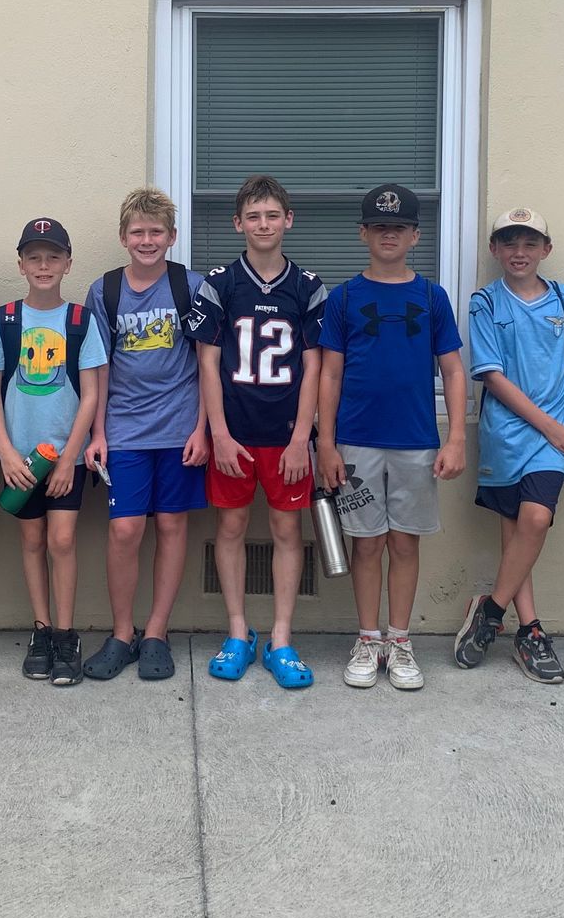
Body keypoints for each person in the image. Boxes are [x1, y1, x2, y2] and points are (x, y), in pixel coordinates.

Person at [318, 184, 468, 692]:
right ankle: (368, 638)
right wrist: (325, 442)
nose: (389, 234)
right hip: (356, 441)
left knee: (405, 542)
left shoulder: (431, 296)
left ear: (414, 235)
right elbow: (330, 376)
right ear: (363, 233)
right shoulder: (343, 298)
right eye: (379, 227)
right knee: (366, 544)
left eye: (399, 227)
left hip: (417, 441)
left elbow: (452, 368)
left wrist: (457, 439)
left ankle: (400, 641)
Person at [191, 176, 325, 689]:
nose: (263, 224)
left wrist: (300, 439)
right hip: (236, 433)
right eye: (254, 216)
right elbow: (207, 364)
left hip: (286, 434)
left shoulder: (308, 287)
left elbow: (314, 367)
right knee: (230, 529)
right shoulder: (221, 284)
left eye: (272, 215)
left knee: (288, 531)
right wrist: (219, 434)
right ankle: (237, 630)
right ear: (238, 223)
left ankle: (282, 637)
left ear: (288, 220)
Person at [454, 208, 564, 683]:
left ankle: (490, 613)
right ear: (495, 249)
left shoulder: (563, 297)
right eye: (509, 243)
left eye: (529, 243)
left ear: (545, 250)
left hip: (556, 433)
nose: (519, 252)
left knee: (536, 518)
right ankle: (529, 631)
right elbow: (491, 374)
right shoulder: (485, 302)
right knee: (516, 533)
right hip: (506, 433)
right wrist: (549, 427)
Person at [83, 188, 208, 684]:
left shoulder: (191, 287)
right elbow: (99, 367)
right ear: (123, 237)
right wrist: (98, 432)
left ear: (172, 237)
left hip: (180, 429)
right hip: (125, 431)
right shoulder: (105, 291)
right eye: (138, 232)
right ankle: (121, 633)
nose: (148, 240)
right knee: (125, 530)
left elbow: (207, 364)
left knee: (173, 527)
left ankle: (156, 632)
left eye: (157, 232)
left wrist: (202, 429)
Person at [0, 217, 107, 686]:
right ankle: (41, 629)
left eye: (53, 256)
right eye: (34, 257)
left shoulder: (80, 321)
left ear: (68, 263)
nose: (44, 265)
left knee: (63, 541)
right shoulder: (5, 320)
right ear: (21, 263)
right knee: (32, 541)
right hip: (20, 460)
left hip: (65, 460)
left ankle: (67, 633)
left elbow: (91, 394)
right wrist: (7, 452)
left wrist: (72, 457)